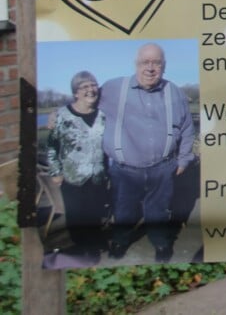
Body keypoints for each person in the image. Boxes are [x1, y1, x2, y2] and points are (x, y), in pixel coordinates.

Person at [100, 43, 195, 263]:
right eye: (145, 62)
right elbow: (84, 102)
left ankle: (161, 244)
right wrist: (59, 115)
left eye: (156, 63)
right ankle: (120, 242)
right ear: (136, 64)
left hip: (162, 168)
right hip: (125, 170)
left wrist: (183, 159)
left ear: (164, 66)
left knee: (159, 211)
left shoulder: (175, 92)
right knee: (123, 211)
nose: (150, 68)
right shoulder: (114, 88)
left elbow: (187, 129)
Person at [45, 71, 109, 264]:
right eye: (84, 87)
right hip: (72, 178)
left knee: (95, 213)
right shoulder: (62, 116)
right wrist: (56, 173)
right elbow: (52, 146)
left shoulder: (103, 116)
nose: (90, 90)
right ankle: (83, 252)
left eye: (93, 85)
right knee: (76, 218)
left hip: (98, 176)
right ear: (75, 93)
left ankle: (94, 246)